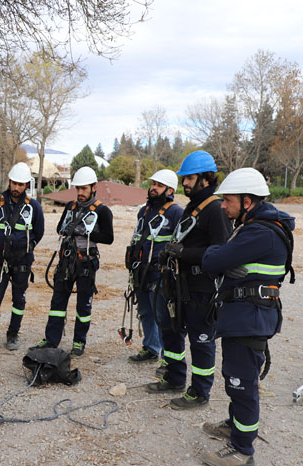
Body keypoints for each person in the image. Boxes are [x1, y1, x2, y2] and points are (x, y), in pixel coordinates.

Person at [200, 168, 294, 466]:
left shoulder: (260, 232)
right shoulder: (254, 226)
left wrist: (220, 253)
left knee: (242, 384)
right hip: (244, 316)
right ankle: (234, 425)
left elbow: (212, 260)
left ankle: (242, 450)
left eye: (227, 200)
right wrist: (227, 256)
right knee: (235, 378)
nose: (223, 206)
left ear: (248, 201)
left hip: (249, 318)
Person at [146, 150, 232, 410]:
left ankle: (200, 391)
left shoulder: (215, 210)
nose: (184, 183)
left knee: (200, 340)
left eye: (190, 178)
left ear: (206, 179)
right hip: (179, 284)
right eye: (184, 178)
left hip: (201, 288)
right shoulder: (193, 207)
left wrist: (185, 253)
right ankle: (174, 377)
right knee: (172, 331)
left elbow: (221, 252)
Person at [35, 166, 113, 358]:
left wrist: (87, 232)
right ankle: (51, 339)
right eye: (77, 188)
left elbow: (108, 237)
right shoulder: (70, 207)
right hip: (66, 260)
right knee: (57, 302)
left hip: (85, 262)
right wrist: (67, 229)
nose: (80, 192)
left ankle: (79, 342)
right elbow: (59, 228)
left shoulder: (102, 211)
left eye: (84, 189)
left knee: (83, 306)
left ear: (94, 187)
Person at [0, 162, 44, 353]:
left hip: (22, 262)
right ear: (9, 181)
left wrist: (25, 248)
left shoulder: (33, 207)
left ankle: (13, 334)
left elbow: (38, 233)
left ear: (26, 186)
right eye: (14, 183)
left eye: (20, 184)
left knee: (19, 301)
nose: (16, 188)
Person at [126, 170, 183, 364]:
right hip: (141, 271)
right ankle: (150, 348)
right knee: (145, 312)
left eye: (159, 185)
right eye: (153, 184)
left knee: (162, 315)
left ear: (170, 190)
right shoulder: (143, 211)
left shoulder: (176, 212)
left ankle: (168, 359)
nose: (153, 188)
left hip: (160, 273)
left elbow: (180, 242)